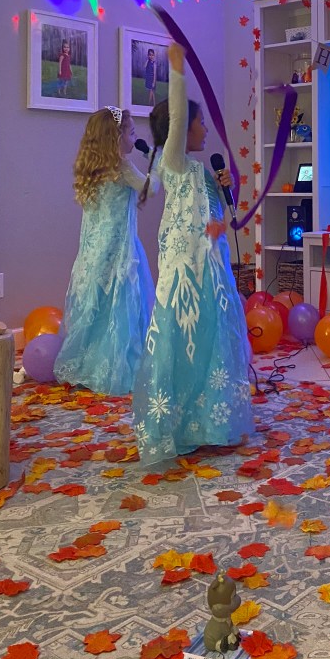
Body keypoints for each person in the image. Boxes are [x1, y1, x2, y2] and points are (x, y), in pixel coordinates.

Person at [132, 43, 254, 465]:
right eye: (200, 123)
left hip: (211, 268)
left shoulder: (202, 171)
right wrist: (177, 70)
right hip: (182, 269)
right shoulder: (174, 163)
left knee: (212, 341)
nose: (203, 129)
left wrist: (224, 205)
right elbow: (178, 119)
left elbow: (222, 214)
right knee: (180, 340)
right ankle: (178, 423)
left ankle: (212, 419)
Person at [54, 106, 156, 396]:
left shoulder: (93, 169)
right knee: (120, 308)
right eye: (132, 133)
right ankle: (116, 367)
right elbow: (151, 187)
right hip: (120, 250)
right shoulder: (122, 169)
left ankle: (87, 363)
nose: (135, 138)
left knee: (95, 306)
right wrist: (154, 159)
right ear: (116, 137)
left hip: (94, 251)